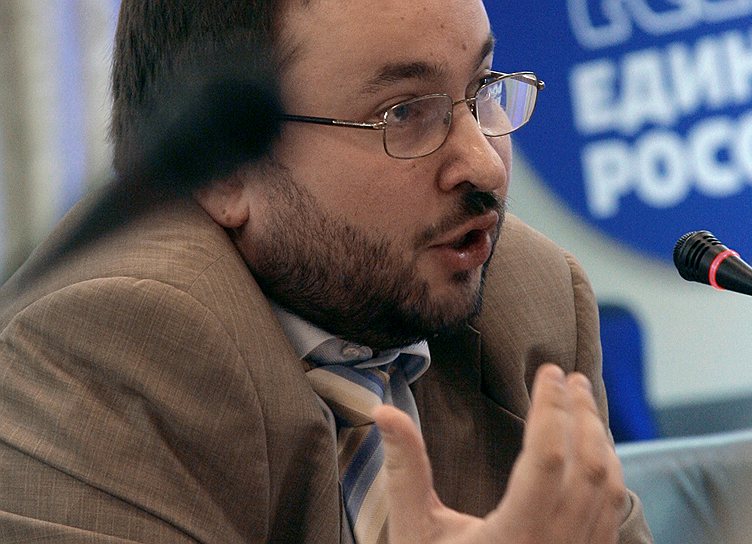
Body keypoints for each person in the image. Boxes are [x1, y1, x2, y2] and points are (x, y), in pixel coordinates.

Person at [0, 1, 653, 543]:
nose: (485, 165)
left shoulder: (530, 297)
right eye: (404, 112)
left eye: (483, 88)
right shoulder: (112, 338)